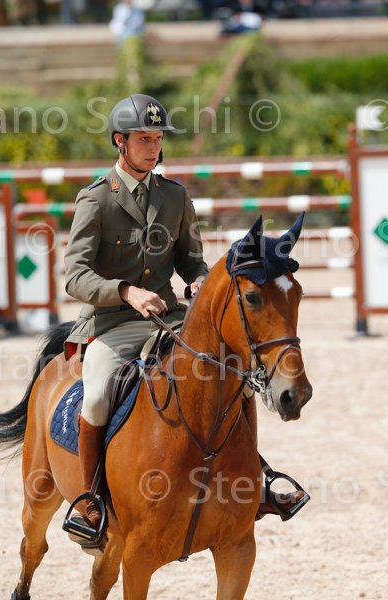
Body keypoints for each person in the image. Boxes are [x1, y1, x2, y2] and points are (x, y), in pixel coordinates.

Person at [64, 93, 307, 555]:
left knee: (236, 377)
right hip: (112, 323)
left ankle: (255, 481)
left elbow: (192, 260)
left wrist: (198, 281)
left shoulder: (174, 196)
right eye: (143, 139)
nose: (153, 147)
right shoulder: (96, 199)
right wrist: (126, 291)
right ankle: (90, 502)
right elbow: (75, 275)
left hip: (170, 318)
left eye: (157, 138)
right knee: (95, 394)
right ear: (119, 141)